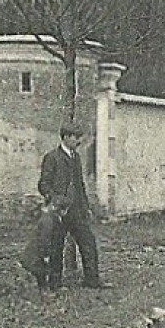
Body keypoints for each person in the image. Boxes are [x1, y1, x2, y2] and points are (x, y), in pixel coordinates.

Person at [36, 122, 110, 291]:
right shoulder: (52, 157)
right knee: (57, 246)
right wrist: (55, 200)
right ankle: (54, 284)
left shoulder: (76, 158)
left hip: (76, 210)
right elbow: (43, 184)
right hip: (59, 211)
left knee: (88, 242)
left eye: (79, 137)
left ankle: (92, 280)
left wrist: (85, 207)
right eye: (75, 137)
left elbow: (79, 184)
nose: (78, 141)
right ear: (65, 137)